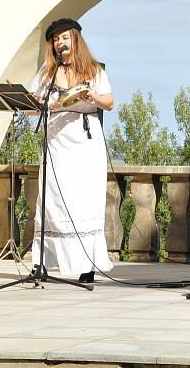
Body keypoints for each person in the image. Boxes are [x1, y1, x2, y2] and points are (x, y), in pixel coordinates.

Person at [30, 18, 114, 283]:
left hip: (84, 143)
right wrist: (41, 104)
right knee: (51, 200)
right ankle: (41, 262)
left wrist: (92, 98)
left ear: (75, 39)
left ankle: (87, 265)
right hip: (56, 142)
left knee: (83, 201)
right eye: (55, 39)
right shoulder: (47, 72)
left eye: (64, 37)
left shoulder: (93, 69)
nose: (59, 42)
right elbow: (33, 106)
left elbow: (109, 102)